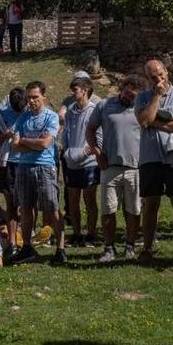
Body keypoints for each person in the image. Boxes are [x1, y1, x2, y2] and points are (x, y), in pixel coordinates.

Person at [135, 60, 173, 267]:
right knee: (151, 204)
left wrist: (156, 123)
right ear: (148, 79)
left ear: (167, 72)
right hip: (150, 157)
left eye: (160, 74)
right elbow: (144, 120)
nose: (158, 78)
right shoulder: (143, 97)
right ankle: (147, 248)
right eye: (152, 76)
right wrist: (157, 96)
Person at [88, 76, 143, 262]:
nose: (130, 97)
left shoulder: (142, 107)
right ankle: (109, 248)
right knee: (108, 210)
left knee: (133, 210)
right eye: (128, 92)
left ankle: (130, 247)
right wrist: (97, 152)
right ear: (122, 89)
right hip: (109, 166)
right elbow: (90, 129)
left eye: (134, 94)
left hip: (135, 167)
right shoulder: (104, 105)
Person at [9, 81, 62, 264]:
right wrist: (32, 142)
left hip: (45, 166)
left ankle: (60, 248)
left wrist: (24, 140)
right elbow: (14, 147)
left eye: (35, 97)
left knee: (52, 207)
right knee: (25, 208)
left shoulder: (51, 117)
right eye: (29, 97)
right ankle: (27, 247)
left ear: (43, 97)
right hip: (23, 166)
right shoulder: (22, 118)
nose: (31, 101)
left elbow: (46, 144)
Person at [61, 76, 100, 247]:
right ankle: (77, 234)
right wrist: (67, 151)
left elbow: (99, 135)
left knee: (90, 200)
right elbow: (67, 134)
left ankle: (91, 234)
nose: (72, 92)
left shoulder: (94, 110)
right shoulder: (70, 111)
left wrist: (87, 150)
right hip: (72, 161)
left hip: (89, 161)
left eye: (75, 89)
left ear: (85, 90)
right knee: (73, 200)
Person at [0, 87, 26, 258]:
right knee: (11, 204)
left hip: (27, 160)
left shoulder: (29, 110)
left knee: (27, 204)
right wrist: (6, 134)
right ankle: (12, 242)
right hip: (8, 162)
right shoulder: (1, 114)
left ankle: (26, 241)